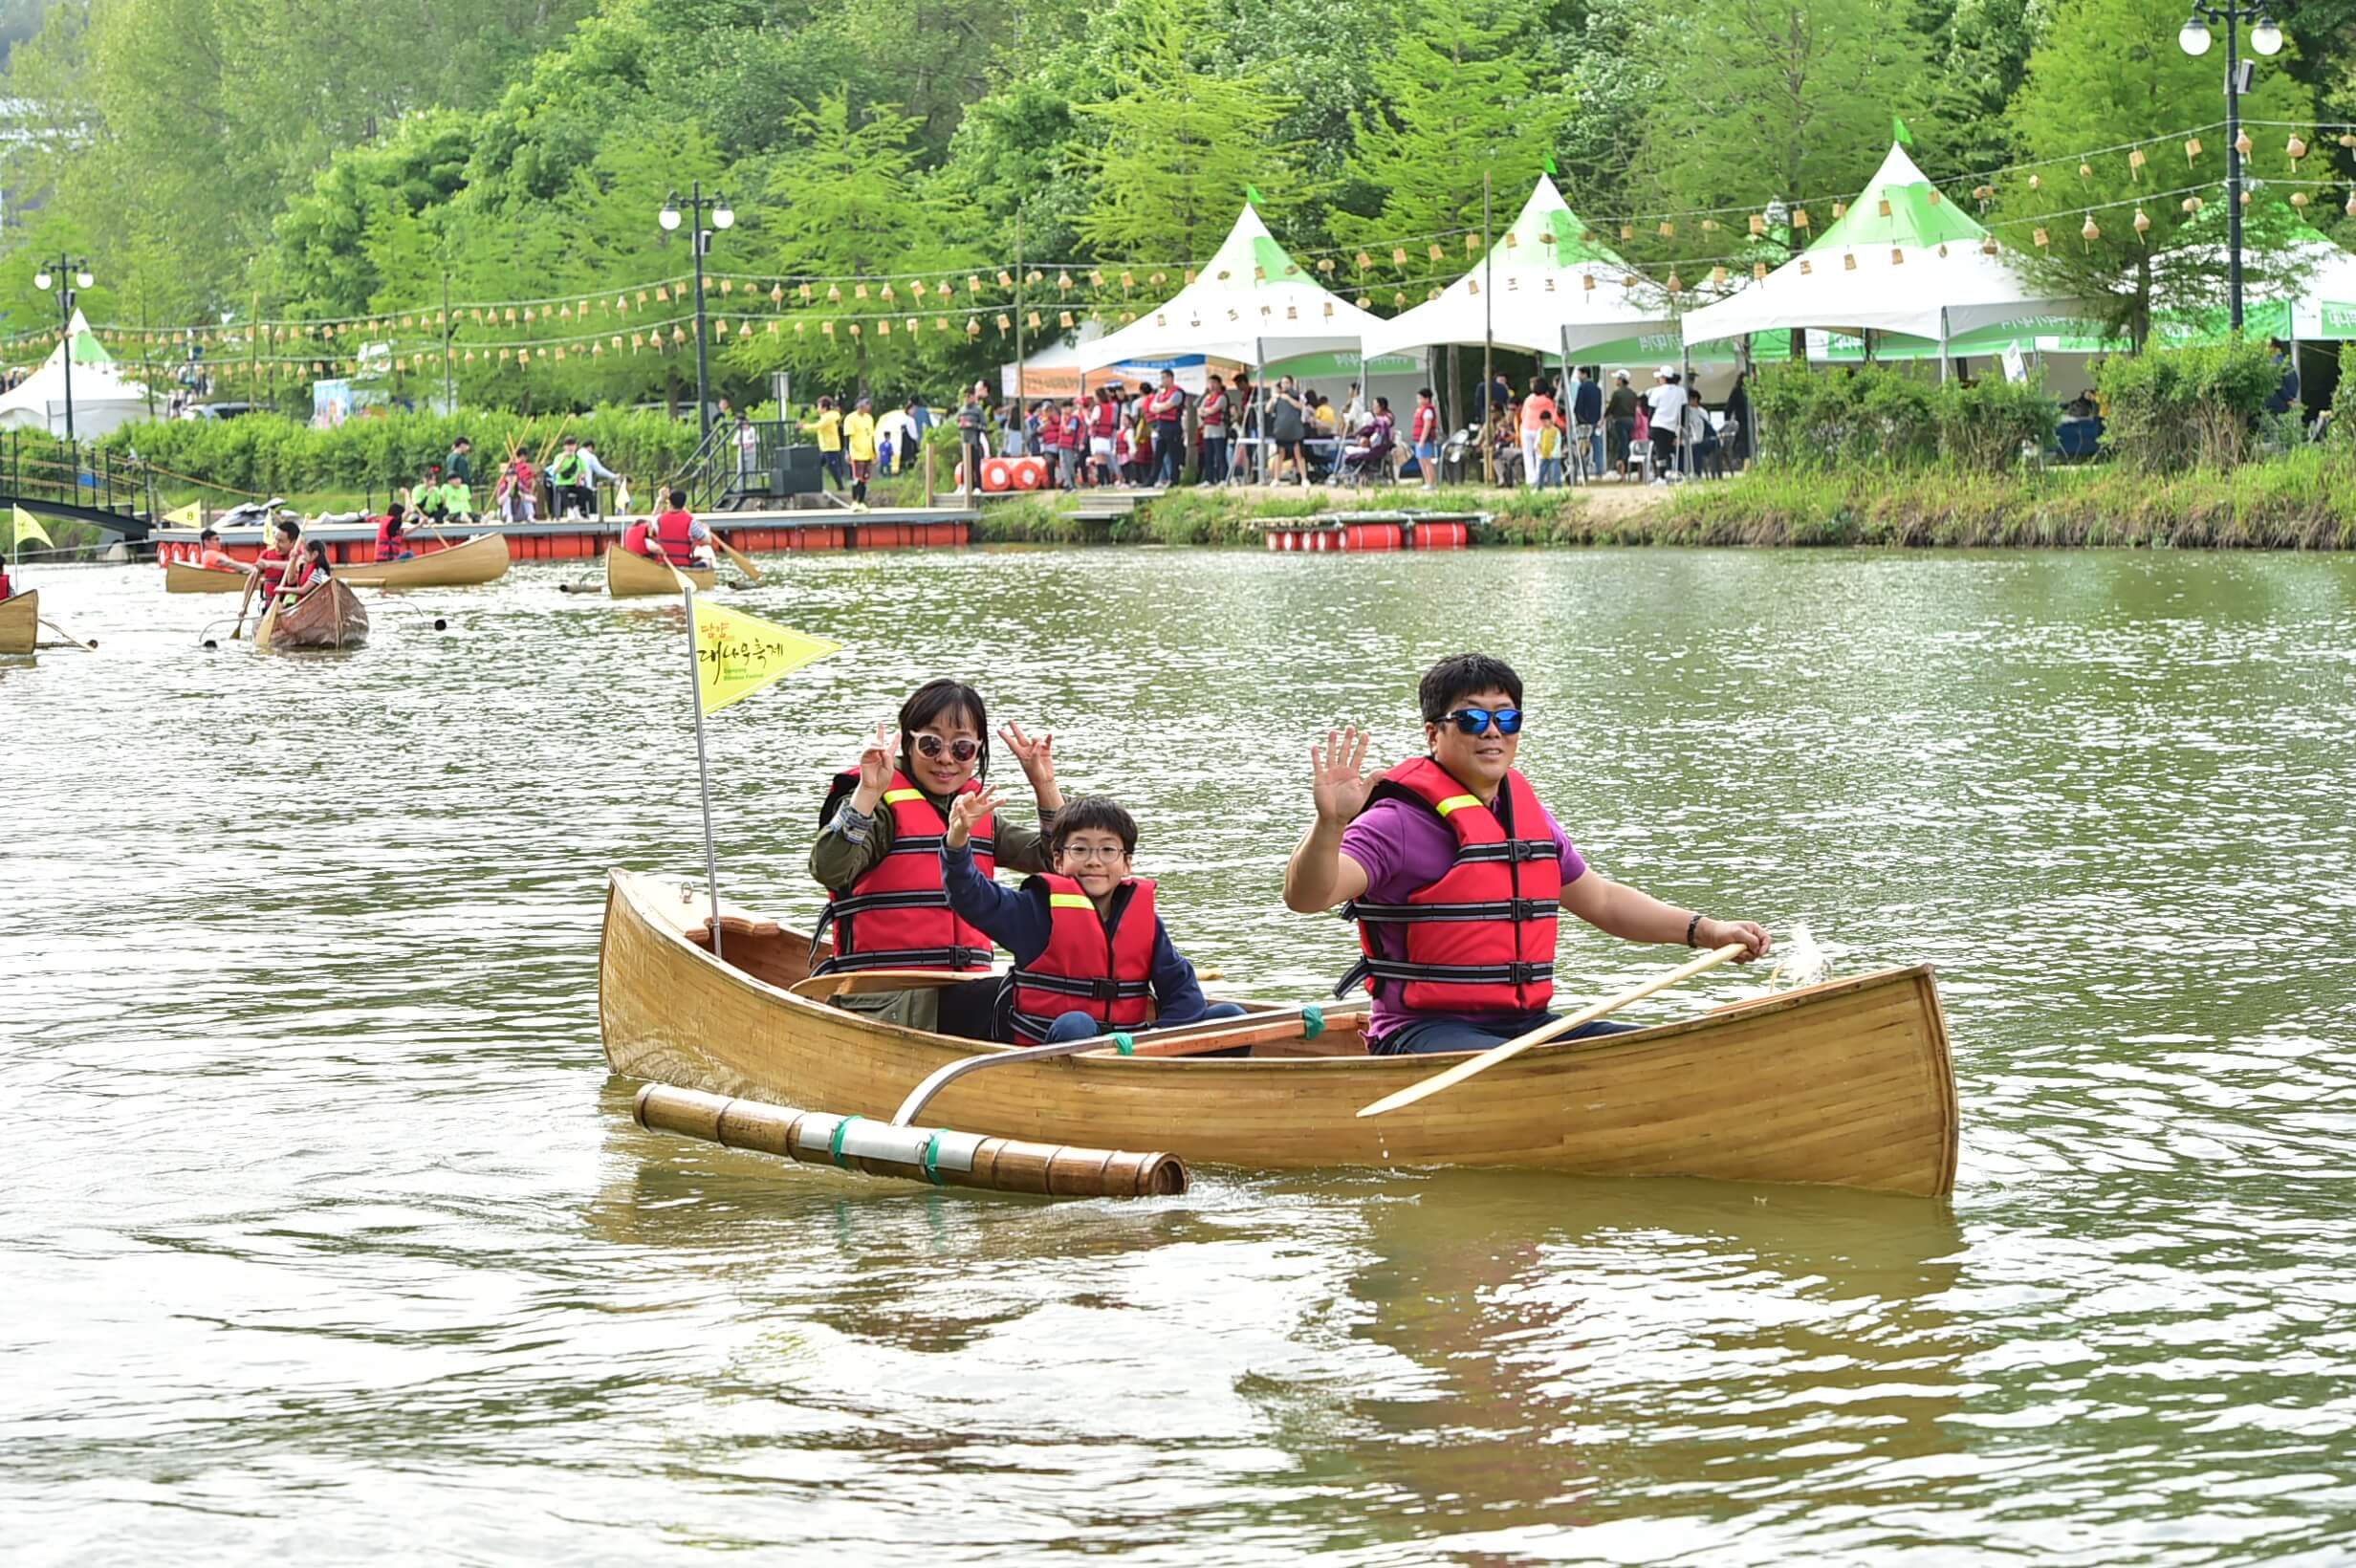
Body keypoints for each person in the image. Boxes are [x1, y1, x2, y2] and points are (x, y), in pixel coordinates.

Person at [1282, 652, 1772, 1056]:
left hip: (1526, 1024)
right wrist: (1331, 824)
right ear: (1434, 734)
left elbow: (1602, 901)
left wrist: (1707, 931)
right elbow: (1307, 897)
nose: (1492, 731)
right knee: (1524, 1067)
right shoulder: (1397, 822)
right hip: (1423, 1031)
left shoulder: (1524, 818)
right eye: (1472, 718)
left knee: (1663, 1053)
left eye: (1507, 717)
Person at [810, 680, 1065, 1036]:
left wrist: (1045, 785)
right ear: (908, 741)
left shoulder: (975, 814)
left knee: (1058, 992)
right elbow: (828, 869)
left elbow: (1058, 862)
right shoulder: (877, 807)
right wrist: (867, 792)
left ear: (977, 751)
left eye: (962, 748)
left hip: (963, 990)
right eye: (931, 745)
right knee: (1024, 997)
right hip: (883, 1001)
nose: (946, 758)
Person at [939, 792, 1247, 1045]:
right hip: (1055, 1051)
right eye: (1081, 849)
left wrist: (1156, 1041)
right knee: (1077, 1025)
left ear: (1127, 863)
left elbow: (1182, 993)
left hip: (1131, 1053)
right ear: (1058, 861)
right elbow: (972, 896)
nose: (1094, 861)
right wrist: (958, 840)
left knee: (1232, 1017)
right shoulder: (1034, 911)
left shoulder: (1147, 924)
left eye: (1108, 850)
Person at [650, 489, 713, 569]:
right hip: (683, 565)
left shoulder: (658, 520)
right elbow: (708, 541)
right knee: (708, 561)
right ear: (684, 504)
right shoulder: (691, 522)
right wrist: (706, 529)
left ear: (669, 503)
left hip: (663, 564)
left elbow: (654, 515)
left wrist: (661, 499)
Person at [1341, 396, 1396, 484]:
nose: (1373, 408)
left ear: (1381, 406)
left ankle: (1348, 474)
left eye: (1375, 405)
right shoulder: (1379, 420)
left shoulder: (1384, 420)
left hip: (1379, 448)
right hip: (1378, 447)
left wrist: (1361, 435)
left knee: (1350, 453)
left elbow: (1374, 432)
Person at [1646, 368, 1686, 483]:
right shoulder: (1681, 391)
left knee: (1660, 452)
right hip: (1672, 427)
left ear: (1664, 378)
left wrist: (1649, 426)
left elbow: (1651, 411)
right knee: (1667, 451)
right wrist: (1680, 427)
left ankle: (1661, 477)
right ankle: (1670, 473)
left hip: (1657, 425)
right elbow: (1683, 411)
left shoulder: (1657, 391)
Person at [1147, 369, 1187, 487]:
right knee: (1158, 455)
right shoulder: (1161, 393)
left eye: (1164, 377)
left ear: (1170, 378)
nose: (1162, 380)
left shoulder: (1177, 392)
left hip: (1172, 426)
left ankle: (1174, 480)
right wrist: (1159, 407)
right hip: (1162, 426)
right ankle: (1152, 480)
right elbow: (1151, 407)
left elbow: (1168, 406)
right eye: (1161, 378)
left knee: (1173, 455)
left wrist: (1159, 407)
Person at [805, 396, 849, 492]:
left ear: (824, 408)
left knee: (833, 467)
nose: (817, 409)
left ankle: (840, 486)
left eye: (819, 406)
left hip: (831, 447)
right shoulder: (827, 416)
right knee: (817, 465)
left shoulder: (828, 418)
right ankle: (812, 485)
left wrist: (804, 426)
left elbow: (818, 426)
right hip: (825, 447)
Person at [1519, 377, 1557, 489]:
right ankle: (1540, 477)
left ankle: (1530, 479)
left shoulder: (1528, 399)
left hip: (1526, 428)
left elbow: (1522, 414)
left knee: (1527, 455)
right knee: (1539, 454)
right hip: (1540, 430)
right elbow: (1553, 417)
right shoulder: (1548, 402)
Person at [1268, 376, 1307, 484]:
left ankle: (1304, 478)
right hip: (1281, 429)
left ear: (1291, 384)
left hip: (1295, 429)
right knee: (1279, 454)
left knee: (1299, 454)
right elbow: (1267, 409)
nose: (1284, 385)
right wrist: (1273, 398)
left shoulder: (1298, 395)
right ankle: (1276, 479)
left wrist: (1288, 399)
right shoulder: (1278, 397)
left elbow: (1301, 407)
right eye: (1283, 383)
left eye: (1287, 383)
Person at [844, 395, 879, 511]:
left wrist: (874, 452)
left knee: (865, 479)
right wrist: (847, 452)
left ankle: (861, 501)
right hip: (856, 452)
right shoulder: (850, 418)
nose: (869, 407)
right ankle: (854, 501)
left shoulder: (869, 418)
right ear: (860, 405)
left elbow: (871, 436)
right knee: (857, 479)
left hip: (867, 452)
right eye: (867, 404)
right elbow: (847, 437)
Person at [1605, 371, 1641, 479]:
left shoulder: (1617, 393)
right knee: (1627, 443)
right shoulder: (1633, 394)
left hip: (1620, 421)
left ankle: (1620, 467)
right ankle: (1629, 468)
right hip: (1631, 421)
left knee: (1619, 444)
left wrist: (1603, 418)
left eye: (1617, 379)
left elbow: (1611, 408)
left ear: (1621, 380)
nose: (1616, 381)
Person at [955, 382, 990, 495]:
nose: (967, 399)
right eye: (965, 396)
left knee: (976, 464)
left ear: (973, 396)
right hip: (964, 441)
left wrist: (972, 425)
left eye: (969, 396)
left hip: (975, 441)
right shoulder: (962, 410)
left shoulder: (978, 410)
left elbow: (984, 426)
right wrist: (961, 425)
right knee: (965, 465)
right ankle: (966, 485)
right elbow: (957, 423)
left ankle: (978, 486)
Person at [1572, 367, 1604, 481]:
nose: (1578, 377)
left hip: (1584, 423)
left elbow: (1578, 407)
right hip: (1595, 421)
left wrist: (1579, 419)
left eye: (1579, 374)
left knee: (1581, 448)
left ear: (1584, 374)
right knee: (1597, 447)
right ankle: (1599, 472)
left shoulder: (1582, 388)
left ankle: (1583, 471)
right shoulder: (1597, 389)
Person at [549, 437, 593, 518]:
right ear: (564, 447)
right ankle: (569, 510)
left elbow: (584, 471)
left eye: (572, 445)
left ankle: (576, 509)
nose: (570, 447)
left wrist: (579, 478)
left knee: (587, 491)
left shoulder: (578, 458)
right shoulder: (558, 457)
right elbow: (555, 471)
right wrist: (563, 459)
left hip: (574, 484)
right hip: (562, 483)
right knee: (563, 490)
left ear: (575, 446)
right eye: (568, 445)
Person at [1198, 374, 1231, 486]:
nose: (1211, 386)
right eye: (1210, 383)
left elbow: (1214, 410)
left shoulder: (1222, 397)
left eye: (1214, 383)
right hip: (1207, 430)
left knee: (1220, 456)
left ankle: (1223, 479)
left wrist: (1206, 410)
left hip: (1218, 430)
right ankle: (1209, 479)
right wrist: (1206, 410)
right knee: (1208, 456)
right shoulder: (1207, 398)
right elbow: (1200, 411)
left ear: (1219, 384)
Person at [1087, 385, 1121, 487]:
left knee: (1099, 459)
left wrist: (1085, 416)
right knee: (1104, 459)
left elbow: (1092, 421)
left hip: (1098, 435)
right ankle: (1107, 481)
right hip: (1106, 435)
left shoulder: (1098, 407)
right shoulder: (1110, 407)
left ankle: (1102, 481)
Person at [1409, 388, 1441, 489]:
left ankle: (1431, 482)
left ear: (1427, 399)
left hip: (1425, 440)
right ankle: (1427, 481)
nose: (1418, 400)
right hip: (1418, 439)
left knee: (1427, 461)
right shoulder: (1420, 410)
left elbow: (1427, 426)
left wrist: (1422, 440)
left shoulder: (1428, 411)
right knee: (1421, 461)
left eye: (1420, 398)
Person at [1535, 408, 1563, 489]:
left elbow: (1558, 443)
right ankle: (1540, 487)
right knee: (1541, 472)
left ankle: (1558, 487)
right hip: (1544, 455)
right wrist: (1537, 447)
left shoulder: (1556, 431)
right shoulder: (1541, 430)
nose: (1543, 423)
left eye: (1545, 421)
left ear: (1550, 420)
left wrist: (1553, 453)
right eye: (1542, 421)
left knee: (1555, 473)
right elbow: (1538, 441)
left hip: (1554, 456)